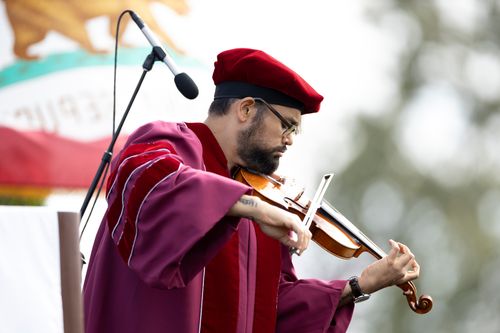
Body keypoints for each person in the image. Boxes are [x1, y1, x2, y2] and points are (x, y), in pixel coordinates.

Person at [83, 48, 420, 333]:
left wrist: (359, 285)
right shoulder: (169, 144)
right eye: (286, 125)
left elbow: (273, 310)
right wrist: (251, 208)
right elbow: (147, 182)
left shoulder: (262, 198)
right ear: (245, 109)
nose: (289, 140)